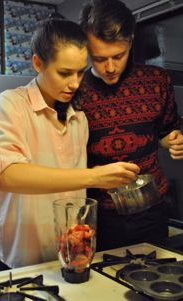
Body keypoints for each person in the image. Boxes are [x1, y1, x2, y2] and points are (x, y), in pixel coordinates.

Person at [0, 18, 140, 271]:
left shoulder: (79, 118)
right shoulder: (12, 104)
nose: (75, 83)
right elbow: (5, 174)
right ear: (38, 63)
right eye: (65, 73)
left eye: (80, 72)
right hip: (21, 252)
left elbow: (72, 191)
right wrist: (93, 177)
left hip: (66, 249)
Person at [77, 0, 183, 251]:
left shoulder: (156, 81)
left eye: (118, 56)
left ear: (131, 41)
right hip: (97, 214)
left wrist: (174, 139)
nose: (110, 68)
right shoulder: (74, 89)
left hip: (152, 209)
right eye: (100, 58)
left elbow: (168, 127)